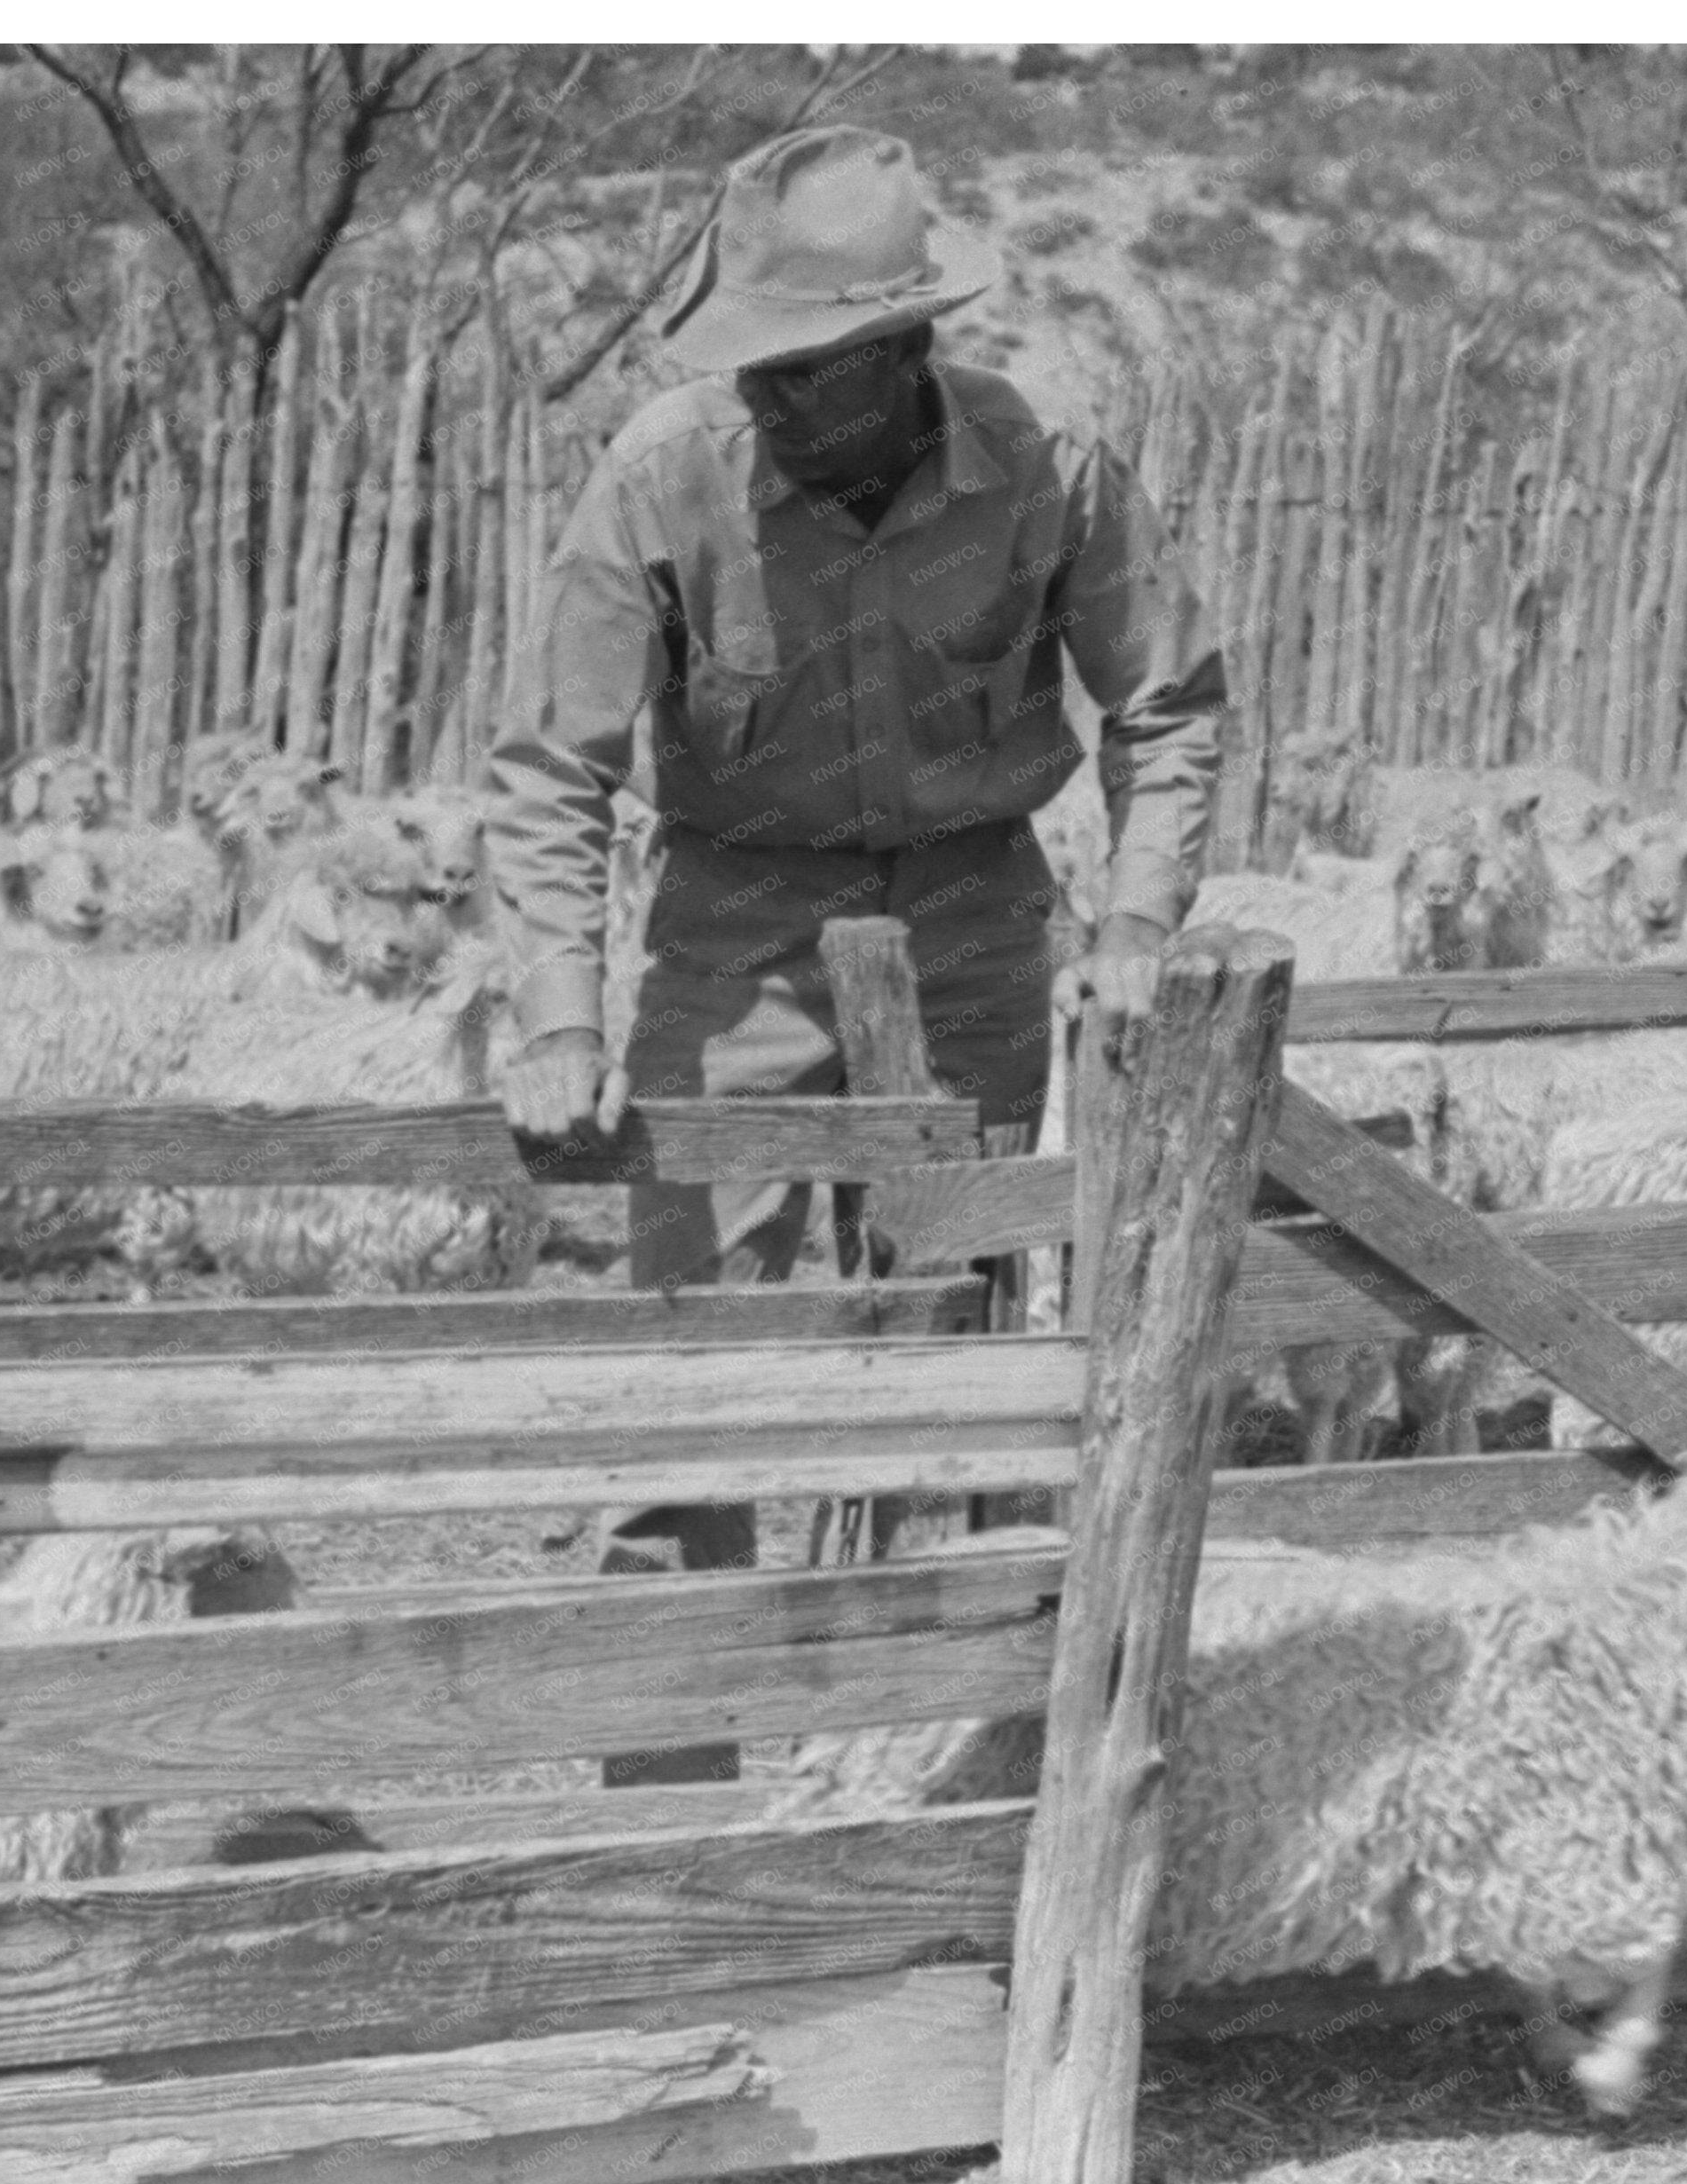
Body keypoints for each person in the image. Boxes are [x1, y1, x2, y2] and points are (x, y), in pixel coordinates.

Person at [485, 125, 1227, 1783]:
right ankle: (671, 1825)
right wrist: (553, 1010)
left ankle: (937, 1798)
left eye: (797, 370)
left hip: (970, 917)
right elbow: (552, 767)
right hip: (732, 931)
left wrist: (1129, 926)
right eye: (747, 363)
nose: (761, 397)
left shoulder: (1050, 466)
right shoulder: (662, 475)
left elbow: (1169, 707)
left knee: (958, 1348)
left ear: (899, 352)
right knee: (697, 1360)